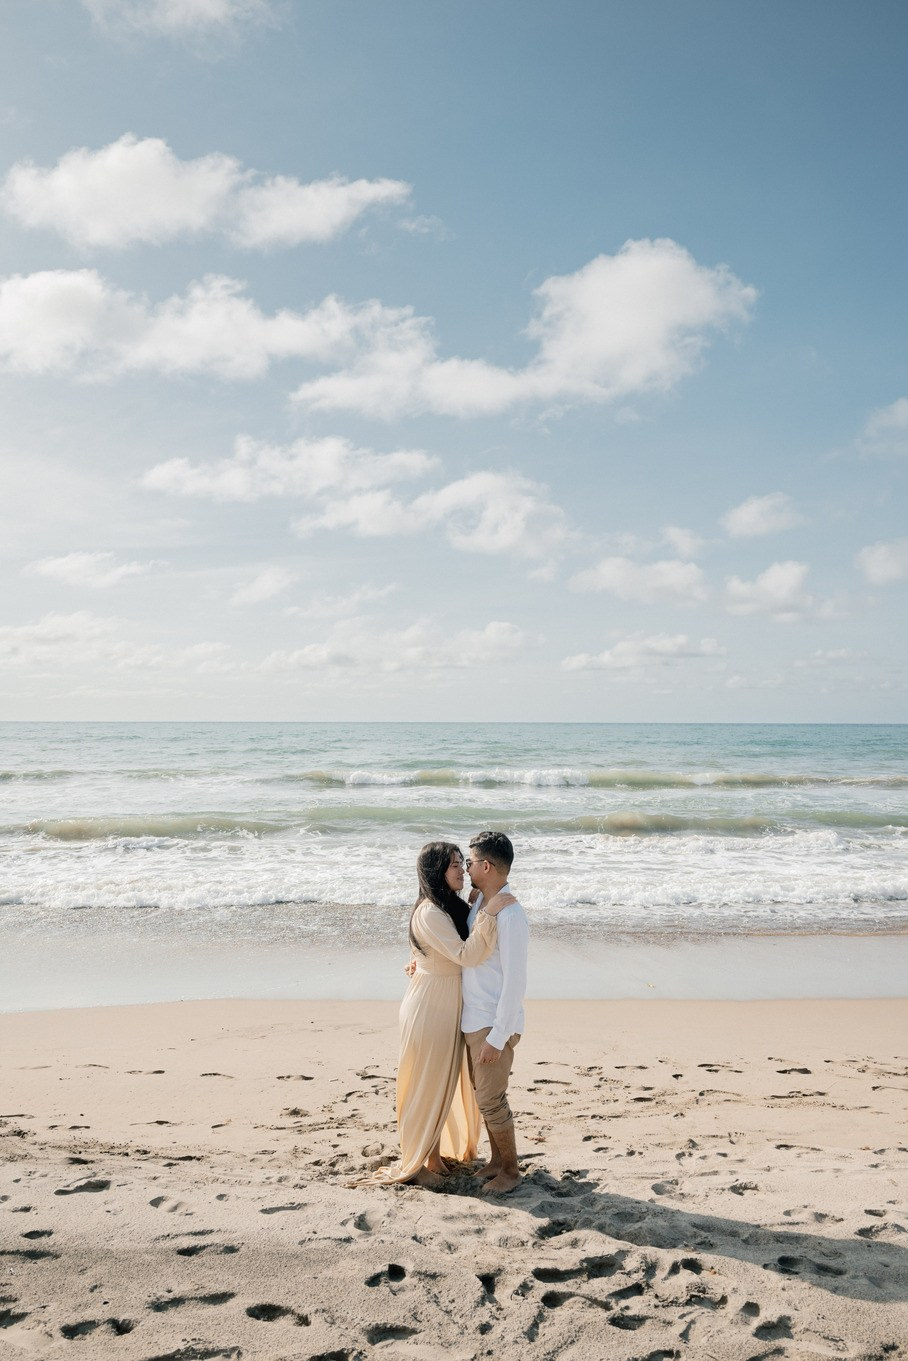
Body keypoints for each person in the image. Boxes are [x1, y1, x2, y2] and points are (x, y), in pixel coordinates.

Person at [363, 841, 512, 1188]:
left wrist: (476, 909)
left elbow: (438, 947)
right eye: (454, 866)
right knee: (426, 1083)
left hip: (445, 1003)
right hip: (430, 1007)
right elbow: (466, 954)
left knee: (440, 1082)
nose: (462, 870)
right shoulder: (430, 912)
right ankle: (417, 1164)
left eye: (463, 863)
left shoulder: (445, 908)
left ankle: (431, 1157)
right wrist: (490, 912)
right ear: (436, 872)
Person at [462, 831, 530, 1195]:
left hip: (493, 1022)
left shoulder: (511, 915)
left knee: (491, 1099)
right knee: (484, 1098)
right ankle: (496, 1162)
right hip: (476, 1017)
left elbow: (516, 981)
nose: (467, 867)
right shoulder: (481, 903)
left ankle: (512, 1171)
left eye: (470, 862)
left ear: (486, 866)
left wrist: (498, 1036)